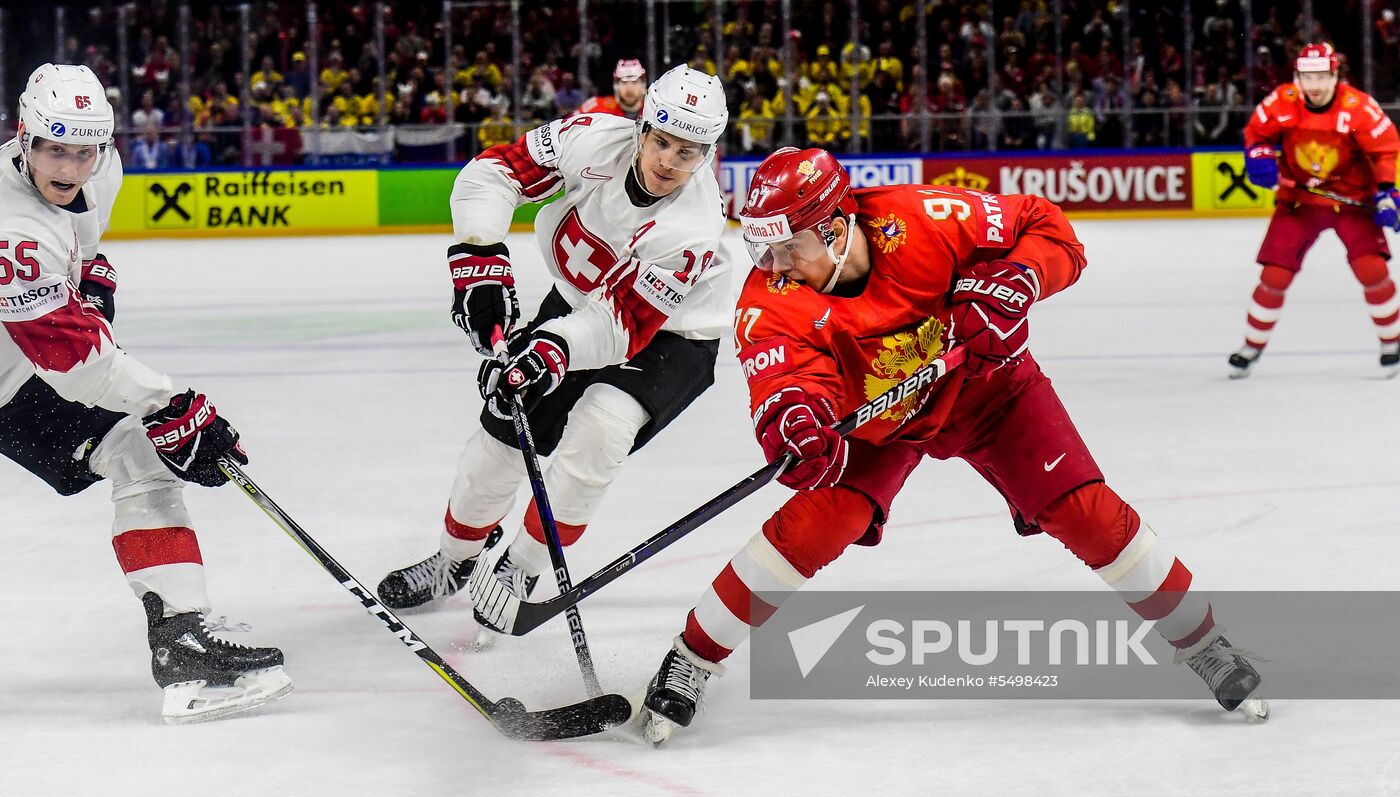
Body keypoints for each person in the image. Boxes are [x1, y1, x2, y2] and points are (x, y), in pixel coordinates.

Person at [638, 147, 1269, 743]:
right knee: (816, 525)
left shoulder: (923, 219)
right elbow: (783, 384)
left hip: (989, 389)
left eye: (784, 247)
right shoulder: (768, 301)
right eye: (759, 247)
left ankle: (1205, 643)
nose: (769, 265)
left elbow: (1051, 230)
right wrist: (798, 422)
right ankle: (692, 656)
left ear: (832, 229)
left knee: (1085, 511)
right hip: (876, 422)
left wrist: (1017, 280)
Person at [376, 66, 730, 628]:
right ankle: (454, 560)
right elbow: (492, 173)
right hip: (575, 306)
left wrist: (548, 351)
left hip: (670, 337)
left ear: (707, 154)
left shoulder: (692, 227)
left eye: (688, 153)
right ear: (643, 128)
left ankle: (520, 569)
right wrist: (479, 260)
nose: (668, 162)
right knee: (499, 440)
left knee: (599, 430)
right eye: (661, 141)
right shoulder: (591, 138)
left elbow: (622, 328)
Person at [0, 64, 290, 723]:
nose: (69, 169)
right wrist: (172, 403)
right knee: (139, 443)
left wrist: (95, 282)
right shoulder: (12, 230)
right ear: (24, 135)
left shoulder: (101, 165)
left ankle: (180, 634)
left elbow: (86, 244)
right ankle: (182, 645)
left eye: (82, 152)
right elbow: (74, 364)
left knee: (140, 452)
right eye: (53, 150)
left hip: (22, 354)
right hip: (10, 377)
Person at [1231, 43, 1400, 378]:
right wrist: (1260, 156)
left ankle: (1392, 343)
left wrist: (1385, 193)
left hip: (1351, 202)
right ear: (1297, 78)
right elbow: (1256, 133)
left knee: (1373, 272)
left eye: (1323, 77)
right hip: (1299, 202)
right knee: (1273, 277)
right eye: (1309, 78)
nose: (1316, 85)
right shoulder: (1283, 100)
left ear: (1336, 76)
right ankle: (1251, 346)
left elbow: (1385, 150)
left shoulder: (1359, 108)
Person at [575, 59, 648, 120]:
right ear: (616, 86)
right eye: (624, 83)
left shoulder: (653, 110)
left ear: (643, 85)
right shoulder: (596, 106)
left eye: (634, 82)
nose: (629, 88)